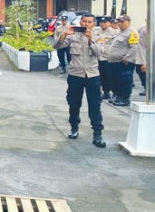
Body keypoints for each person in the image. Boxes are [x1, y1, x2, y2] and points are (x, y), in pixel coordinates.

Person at [54, 14, 106, 148]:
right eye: (84, 21)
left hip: (92, 76)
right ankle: (74, 128)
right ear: (80, 22)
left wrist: (90, 39)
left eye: (89, 22)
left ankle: (97, 134)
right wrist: (65, 34)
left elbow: (99, 53)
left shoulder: (98, 35)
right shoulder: (73, 35)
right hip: (75, 74)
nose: (86, 24)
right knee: (74, 103)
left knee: (95, 105)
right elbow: (57, 45)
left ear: (93, 23)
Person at [106, 14, 140, 107]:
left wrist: (127, 58)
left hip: (123, 62)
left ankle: (125, 98)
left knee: (124, 80)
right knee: (115, 80)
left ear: (128, 22)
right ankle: (117, 95)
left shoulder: (132, 32)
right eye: (119, 21)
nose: (120, 23)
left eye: (122, 21)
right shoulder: (120, 32)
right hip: (114, 61)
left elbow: (134, 47)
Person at [92, 17, 117, 100]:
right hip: (98, 57)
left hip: (108, 58)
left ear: (109, 23)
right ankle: (105, 92)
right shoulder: (96, 31)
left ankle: (114, 92)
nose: (102, 24)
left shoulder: (114, 32)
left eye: (105, 22)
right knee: (101, 76)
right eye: (101, 22)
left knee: (110, 76)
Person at [135, 21, 147, 97]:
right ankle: (147, 87)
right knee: (140, 70)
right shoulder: (143, 30)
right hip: (146, 54)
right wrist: (143, 62)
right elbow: (141, 47)